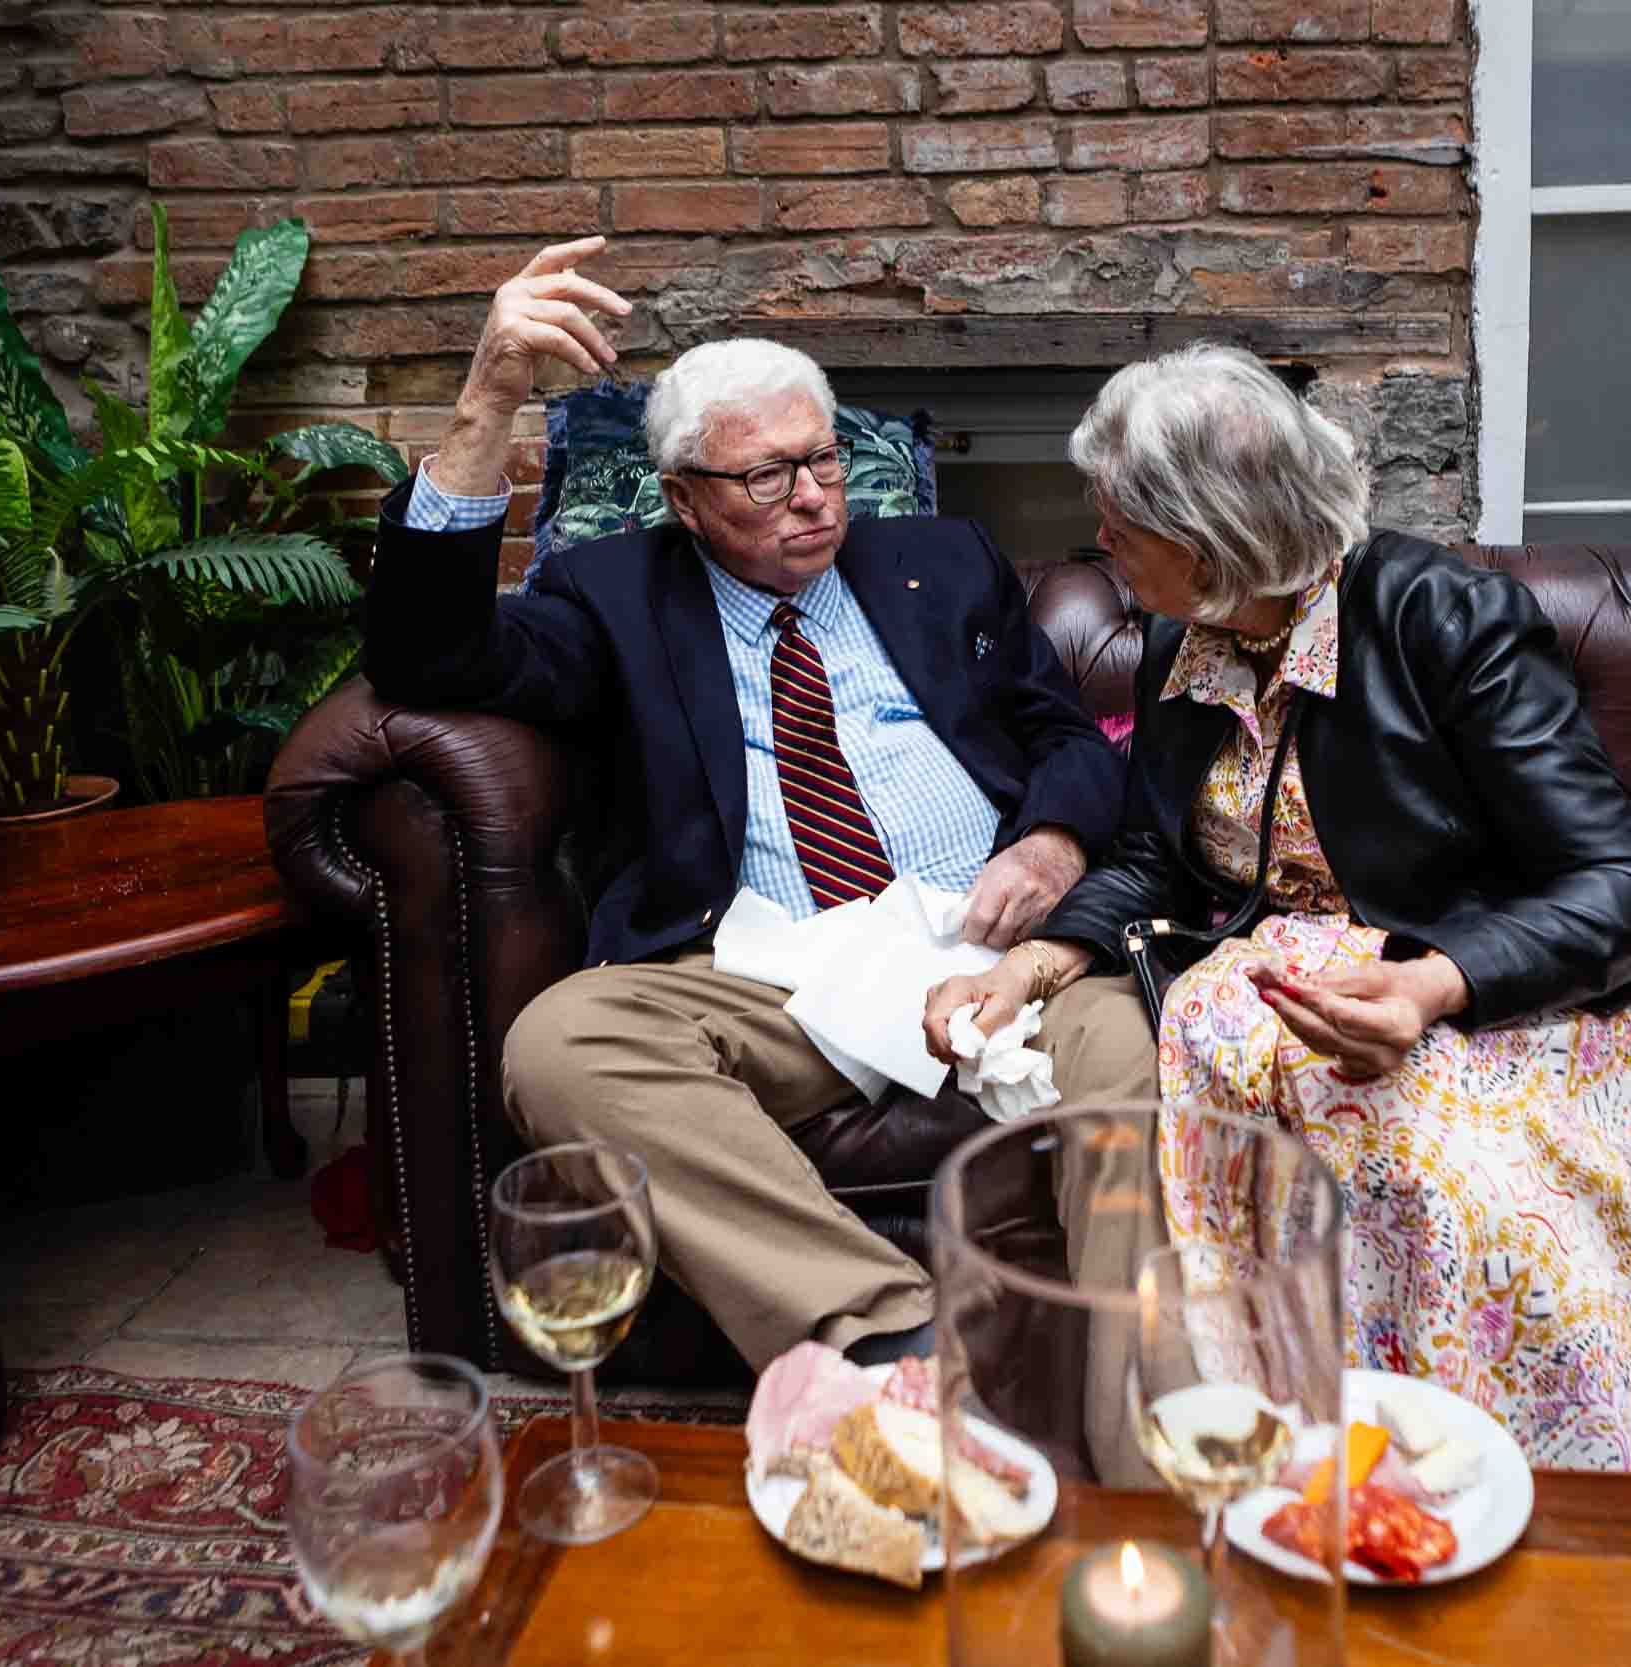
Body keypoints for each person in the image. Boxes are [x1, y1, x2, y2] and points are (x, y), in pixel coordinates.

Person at [927, 343, 1631, 1475]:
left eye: (1122, 518)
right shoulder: (1179, 642)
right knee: (1304, 1079)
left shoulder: (1445, 618)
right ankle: (1300, 1455)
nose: (1101, 538)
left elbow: (1627, 880)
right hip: (1344, 989)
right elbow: (1156, 860)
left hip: (1520, 971)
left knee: (1443, 1166)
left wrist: (1432, 983)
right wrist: (1033, 962)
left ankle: (1539, 1482)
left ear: (1211, 534)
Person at [362, 238, 1159, 1370]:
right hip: (768, 969)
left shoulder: (942, 557)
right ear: (684, 498)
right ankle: (889, 1331)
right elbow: (427, 655)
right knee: (559, 1046)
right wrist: (490, 396)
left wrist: (1052, 841)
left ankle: (1133, 1375)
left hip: (989, 948)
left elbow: (1064, 736)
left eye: (823, 460)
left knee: (1128, 1049)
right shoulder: (612, 595)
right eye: (764, 478)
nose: (812, 500)